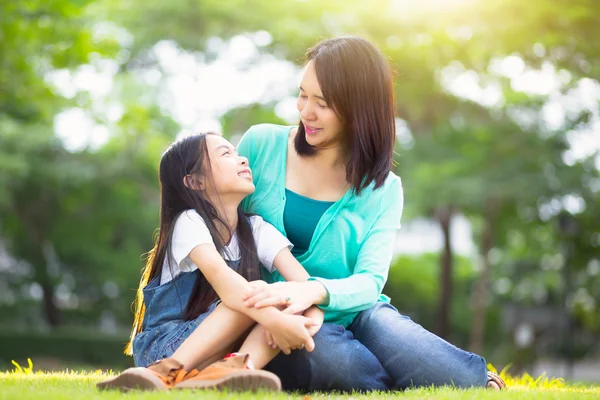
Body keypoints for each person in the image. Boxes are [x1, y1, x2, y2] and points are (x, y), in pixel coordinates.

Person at [236, 36, 506, 391]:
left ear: (358, 110)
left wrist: (313, 291)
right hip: (279, 316)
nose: (305, 112)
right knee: (341, 365)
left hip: (358, 312)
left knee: (440, 368)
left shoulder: (383, 188)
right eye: (303, 95)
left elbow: (370, 280)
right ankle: (389, 381)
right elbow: (223, 231)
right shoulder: (261, 146)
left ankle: (469, 378)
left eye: (322, 103)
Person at [97, 132, 325, 392]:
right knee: (253, 296)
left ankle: (232, 372)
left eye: (238, 153)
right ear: (195, 181)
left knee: (279, 300)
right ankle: (164, 371)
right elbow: (229, 287)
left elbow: (306, 286)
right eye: (226, 154)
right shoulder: (189, 222)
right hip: (167, 347)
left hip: (218, 352)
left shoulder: (256, 229)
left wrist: (308, 319)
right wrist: (276, 321)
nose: (242, 160)